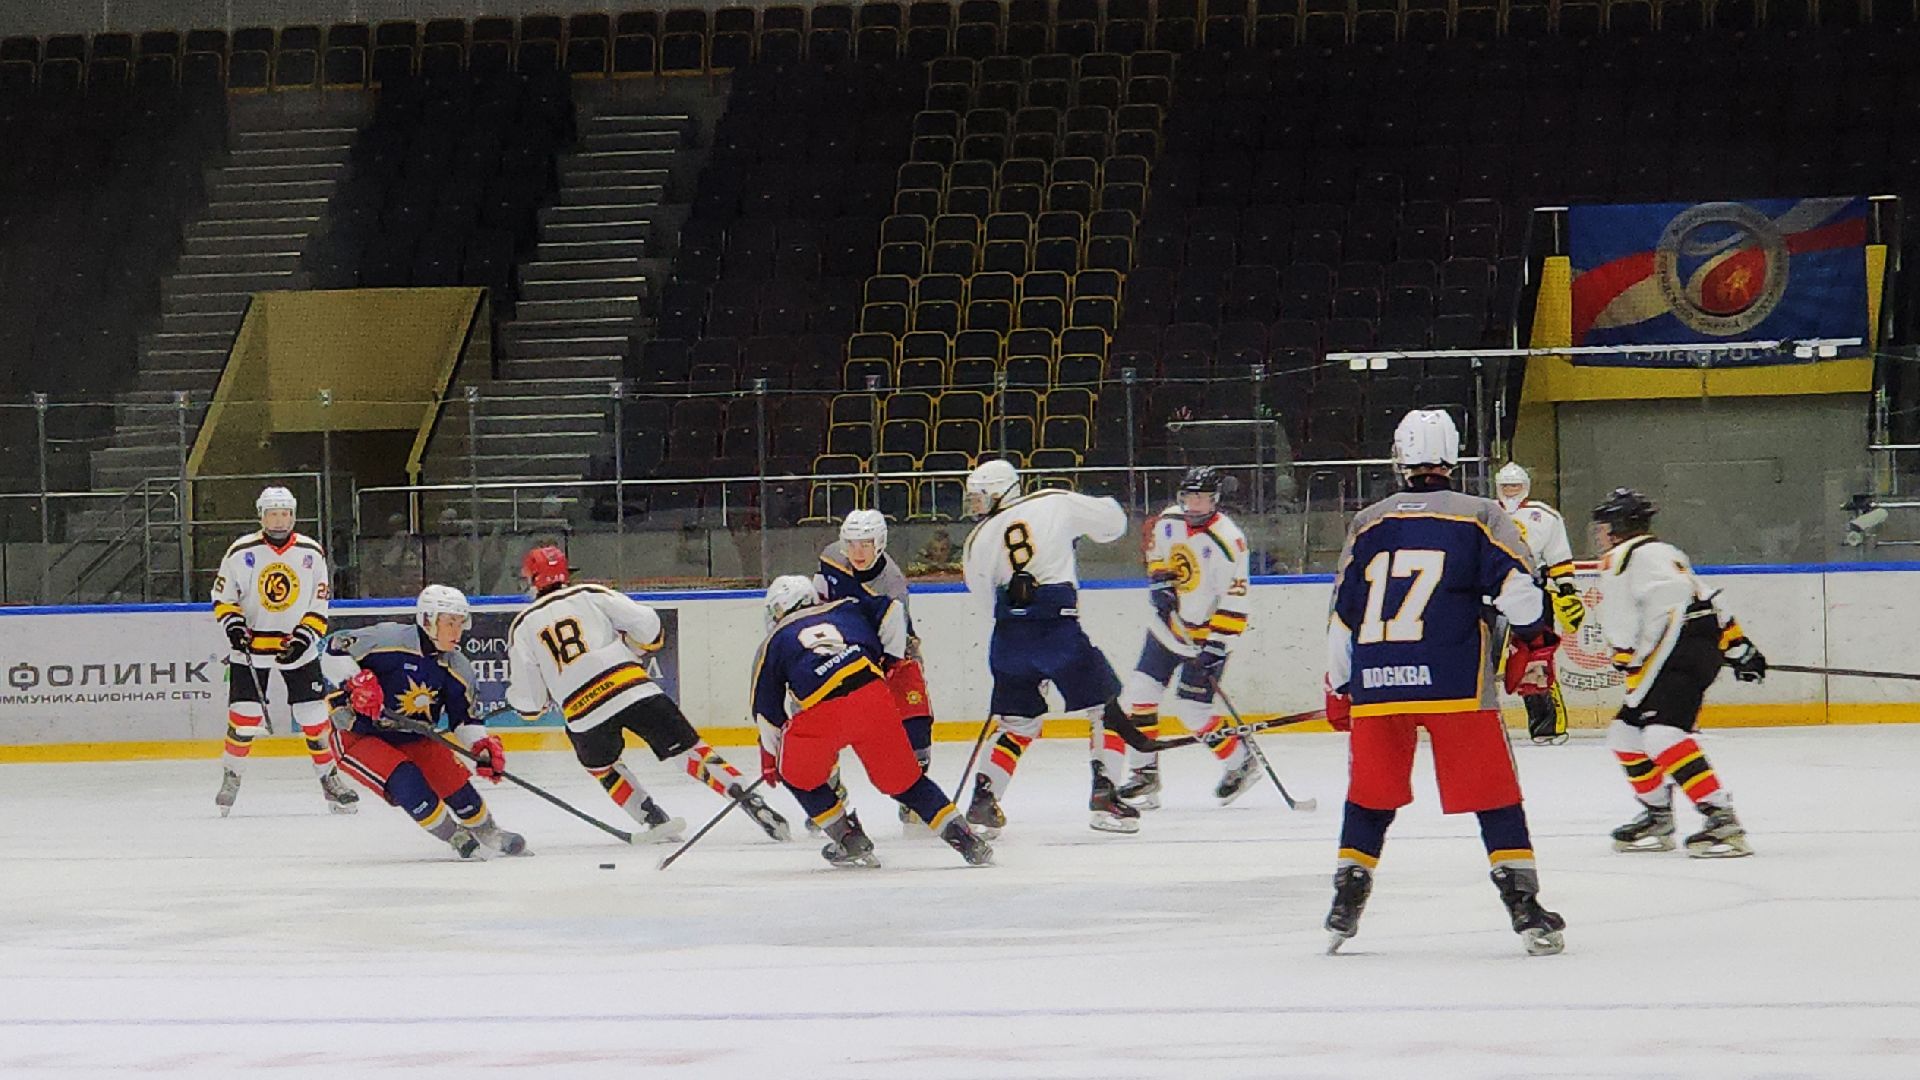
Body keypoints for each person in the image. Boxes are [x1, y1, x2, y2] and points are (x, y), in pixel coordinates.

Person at [1323, 410, 1567, 957]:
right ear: (1454, 455)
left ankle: (1346, 899)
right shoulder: (1480, 516)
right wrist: (1533, 638)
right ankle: (1525, 909)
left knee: (1369, 797)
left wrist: (1341, 685)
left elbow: (1343, 617)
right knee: (1495, 798)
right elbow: (1520, 594)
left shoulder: (1368, 522)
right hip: (1456, 684)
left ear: (1399, 455)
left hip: (1378, 684)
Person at [504, 545, 789, 843]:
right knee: (689, 751)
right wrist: (634, 647)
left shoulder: (523, 626)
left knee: (602, 767)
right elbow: (649, 625)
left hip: (584, 712)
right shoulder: (590, 593)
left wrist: (538, 701)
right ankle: (743, 794)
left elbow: (529, 701)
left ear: (534, 580)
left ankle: (652, 817)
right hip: (633, 687)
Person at [960, 459, 1155, 834]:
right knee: (1105, 709)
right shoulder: (1051, 501)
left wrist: (1020, 635)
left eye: (980, 497)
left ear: (1000, 492)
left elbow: (984, 599)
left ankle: (984, 798)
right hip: (1057, 628)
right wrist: (1072, 532)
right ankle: (1105, 795)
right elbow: (1114, 522)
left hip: (1008, 639)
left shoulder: (978, 539)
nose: (977, 505)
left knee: (1017, 723)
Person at [752, 576, 993, 868]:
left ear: (778, 609)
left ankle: (849, 838)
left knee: (801, 779)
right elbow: (892, 610)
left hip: (821, 712)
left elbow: (768, 716)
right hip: (874, 698)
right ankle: (966, 838)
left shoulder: (774, 641)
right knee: (906, 783)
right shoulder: (847, 606)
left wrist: (775, 759)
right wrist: (890, 660)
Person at [1592, 489, 1762, 859]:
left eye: (1604, 526)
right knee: (1625, 733)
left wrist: (1622, 653)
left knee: (1662, 736)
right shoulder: (1666, 552)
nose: (1600, 533)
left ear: (1620, 526)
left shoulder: (1618, 558)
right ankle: (1657, 815)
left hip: (1676, 651)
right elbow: (1708, 598)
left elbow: (1619, 616)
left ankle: (1721, 819)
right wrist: (1737, 646)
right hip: (1696, 643)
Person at [320, 586, 527, 859]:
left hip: (414, 735)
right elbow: (334, 650)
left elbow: (463, 718)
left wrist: (481, 747)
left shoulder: (457, 667)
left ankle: (489, 831)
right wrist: (353, 683)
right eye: (449, 622)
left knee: (457, 786)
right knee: (408, 781)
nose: (457, 631)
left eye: (460, 623)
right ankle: (455, 835)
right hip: (359, 735)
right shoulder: (388, 639)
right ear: (428, 620)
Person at [1117, 466, 1260, 809]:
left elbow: (1235, 598)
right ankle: (1144, 774)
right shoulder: (1169, 521)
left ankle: (1240, 760)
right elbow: (1158, 555)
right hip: (1169, 629)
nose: (1193, 505)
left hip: (1206, 636)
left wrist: (1217, 645)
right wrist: (1161, 581)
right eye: (1189, 497)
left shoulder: (1229, 540)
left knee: (1193, 712)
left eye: (1201, 498)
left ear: (1215, 500)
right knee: (1140, 692)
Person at [210, 485, 358, 816]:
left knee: (313, 717)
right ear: (261, 515)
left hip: (297, 646)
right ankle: (231, 776)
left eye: (285, 514)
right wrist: (234, 626)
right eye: (272, 514)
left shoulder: (310, 551)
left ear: (293, 515)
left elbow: (319, 601)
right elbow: (223, 596)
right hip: (253, 645)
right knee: (244, 717)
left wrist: (305, 637)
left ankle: (329, 778)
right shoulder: (240, 551)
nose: (279, 521)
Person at [816, 509, 938, 830]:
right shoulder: (831, 558)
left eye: (865, 544)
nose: (857, 552)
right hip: (842, 653)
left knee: (916, 726)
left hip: (894, 656)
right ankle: (830, 792)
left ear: (880, 543)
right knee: (819, 724)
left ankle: (914, 800)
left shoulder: (892, 586)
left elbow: (894, 645)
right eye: (852, 543)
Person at [1495, 462, 1585, 744]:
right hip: (1490, 594)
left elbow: (1559, 558)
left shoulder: (1545, 516)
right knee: (1482, 659)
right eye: (1506, 486)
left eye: (1515, 486)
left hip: (1534, 593)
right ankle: (1480, 726)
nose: (1511, 492)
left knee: (1536, 662)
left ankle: (1547, 726)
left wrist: (1568, 591)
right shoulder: (1484, 513)